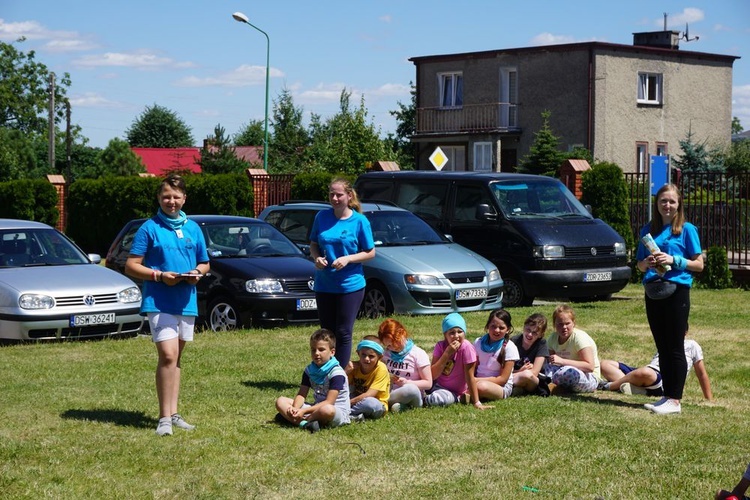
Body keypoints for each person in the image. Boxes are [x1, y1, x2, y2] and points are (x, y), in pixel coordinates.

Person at [125, 174, 209, 437]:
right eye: (166, 197)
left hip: (186, 301)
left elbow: (205, 262)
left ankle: (174, 413)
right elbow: (131, 265)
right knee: (168, 356)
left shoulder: (193, 228)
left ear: (184, 198)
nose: (171, 201)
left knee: (177, 358)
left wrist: (197, 272)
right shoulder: (149, 228)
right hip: (158, 300)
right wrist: (159, 276)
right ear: (159, 199)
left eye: (176, 197)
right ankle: (163, 418)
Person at [636, 183, 703, 415]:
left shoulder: (687, 230)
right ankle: (666, 396)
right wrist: (647, 264)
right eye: (663, 201)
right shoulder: (648, 230)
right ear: (657, 204)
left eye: (672, 201)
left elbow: (699, 264)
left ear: (679, 204)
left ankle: (675, 399)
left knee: (675, 346)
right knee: (661, 346)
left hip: (677, 291)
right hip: (653, 291)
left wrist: (674, 260)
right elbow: (640, 264)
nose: (667, 205)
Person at [309, 177, 375, 368]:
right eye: (332, 194)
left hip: (350, 285)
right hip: (324, 284)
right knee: (327, 333)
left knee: (343, 332)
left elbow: (370, 252)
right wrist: (317, 258)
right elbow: (313, 244)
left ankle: (339, 375)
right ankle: (326, 373)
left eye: (339, 194)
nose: (335, 198)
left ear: (349, 195)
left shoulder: (360, 221)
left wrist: (348, 259)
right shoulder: (321, 217)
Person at [275, 329, 351, 433]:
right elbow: (302, 394)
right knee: (281, 401)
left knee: (327, 410)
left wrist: (303, 411)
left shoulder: (337, 373)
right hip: (316, 407)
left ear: (332, 352)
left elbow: (330, 402)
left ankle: (299, 420)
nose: (316, 353)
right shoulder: (309, 370)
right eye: (313, 349)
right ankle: (306, 423)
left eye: (321, 349)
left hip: (336, 411)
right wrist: (295, 408)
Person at [600, 337, 713, 401]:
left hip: (661, 379)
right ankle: (639, 389)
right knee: (605, 365)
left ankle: (608, 386)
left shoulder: (692, 345)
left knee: (645, 372)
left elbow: (702, 374)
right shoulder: (664, 342)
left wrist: (709, 399)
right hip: (648, 371)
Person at [424, 313, 492, 410]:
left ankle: (423, 400)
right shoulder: (440, 346)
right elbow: (433, 375)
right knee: (419, 380)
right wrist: (447, 353)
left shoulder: (467, 348)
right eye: (452, 333)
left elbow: (470, 377)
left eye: (460, 332)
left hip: (453, 392)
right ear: (445, 335)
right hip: (436, 385)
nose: (456, 336)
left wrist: (477, 402)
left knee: (440, 399)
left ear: (464, 333)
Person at [377, 318, 432, 412]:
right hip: (391, 393)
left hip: (413, 394)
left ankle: (390, 405)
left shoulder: (418, 353)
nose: (393, 348)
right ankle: (399, 407)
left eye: (395, 342)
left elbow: (428, 383)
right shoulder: (385, 355)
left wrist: (407, 382)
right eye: (388, 346)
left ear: (402, 333)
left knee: (411, 389)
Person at [546, 304, 601, 394]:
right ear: (554, 325)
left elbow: (590, 367)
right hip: (561, 372)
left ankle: (553, 386)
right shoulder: (552, 338)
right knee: (544, 367)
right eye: (560, 324)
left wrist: (562, 361)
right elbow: (549, 362)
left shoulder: (579, 338)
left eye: (567, 323)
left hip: (587, 376)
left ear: (573, 323)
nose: (564, 327)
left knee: (568, 372)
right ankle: (553, 386)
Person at [474, 309, 519, 401]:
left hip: (500, 386)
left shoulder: (510, 347)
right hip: (477, 380)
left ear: (508, 330)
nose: (496, 330)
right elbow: (474, 366)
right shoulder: (478, 342)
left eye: (501, 328)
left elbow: (502, 379)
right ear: (487, 326)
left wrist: (475, 380)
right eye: (493, 326)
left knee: (481, 387)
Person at [348, 336, 390, 421]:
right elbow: (342, 388)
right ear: (358, 353)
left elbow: (369, 395)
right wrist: (345, 371)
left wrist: (346, 403)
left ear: (380, 357)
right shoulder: (353, 367)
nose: (366, 359)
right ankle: (354, 416)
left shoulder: (381, 369)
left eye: (371, 356)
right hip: (356, 401)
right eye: (363, 355)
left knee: (371, 403)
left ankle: (344, 414)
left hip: (376, 404)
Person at [511, 313, 550, 396]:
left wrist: (511, 375)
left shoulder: (541, 344)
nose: (529, 334)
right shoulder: (514, 341)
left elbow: (535, 372)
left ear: (541, 335)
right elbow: (505, 368)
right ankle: (519, 388)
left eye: (535, 332)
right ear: (524, 327)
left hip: (533, 379)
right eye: (528, 330)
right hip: (516, 375)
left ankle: (516, 387)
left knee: (527, 375)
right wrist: (519, 371)